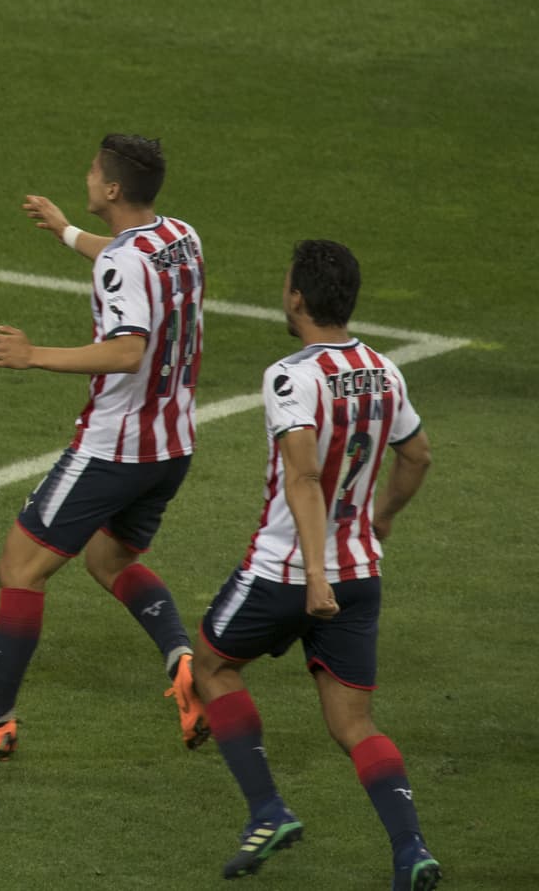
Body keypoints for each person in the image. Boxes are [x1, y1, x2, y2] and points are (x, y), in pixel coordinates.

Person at [0, 134, 207, 758]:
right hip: (173, 445)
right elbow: (122, 257)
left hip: (113, 449)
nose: (88, 174)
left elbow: (127, 350)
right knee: (110, 561)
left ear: (114, 189)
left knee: (20, 567)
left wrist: (31, 356)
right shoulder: (180, 236)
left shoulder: (125, 262)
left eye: (95, 170)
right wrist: (66, 231)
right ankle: (185, 662)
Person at [190, 240, 440, 888]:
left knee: (211, 665)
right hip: (363, 571)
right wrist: (379, 519)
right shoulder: (386, 370)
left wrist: (316, 576)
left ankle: (268, 809)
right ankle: (411, 848)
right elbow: (417, 457)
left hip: (289, 573)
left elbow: (303, 477)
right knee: (354, 724)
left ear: (297, 296)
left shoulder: (290, 375)